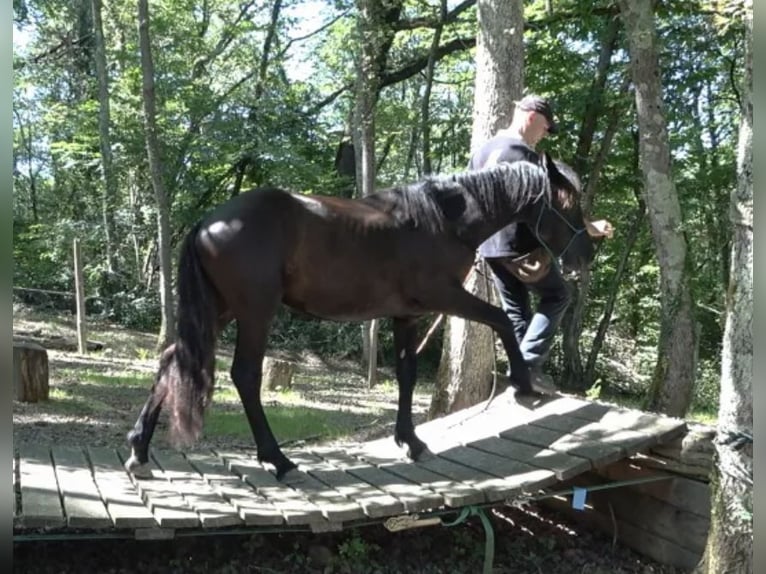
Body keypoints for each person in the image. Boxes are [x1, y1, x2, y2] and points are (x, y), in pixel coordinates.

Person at [469, 95, 613, 394]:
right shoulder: (526, 157)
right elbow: (552, 212)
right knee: (558, 295)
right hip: (521, 246)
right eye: (547, 127)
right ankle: (527, 365)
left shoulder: (483, 152)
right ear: (532, 116)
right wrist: (590, 228)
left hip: (490, 248)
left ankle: (524, 380)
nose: (545, 134)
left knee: (517, 311)